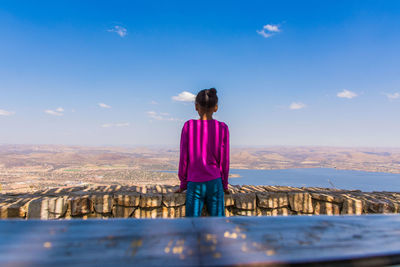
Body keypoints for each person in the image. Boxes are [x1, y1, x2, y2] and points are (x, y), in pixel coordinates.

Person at [174, 88, 230, 217]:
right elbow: (224, 160)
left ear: (196, 106)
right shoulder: (222, 128)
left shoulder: (188, 126)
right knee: (218, 225)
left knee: (192, 226)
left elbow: (184, 158)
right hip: (215, 183)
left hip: (194, 183)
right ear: (216, 107)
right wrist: (224, 185)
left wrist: (183, 183)